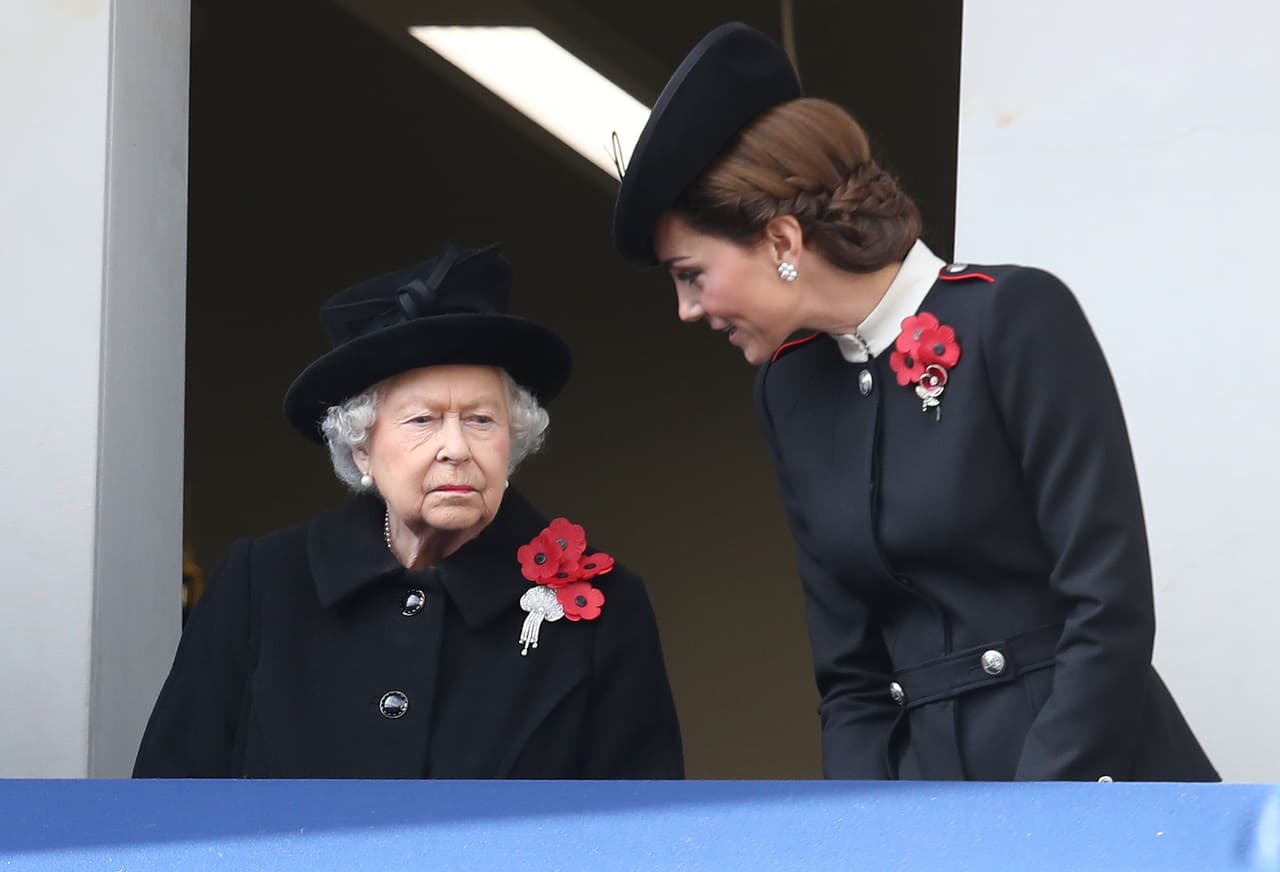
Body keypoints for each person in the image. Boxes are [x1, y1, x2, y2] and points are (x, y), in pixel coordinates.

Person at [612, 22, 1216, 782]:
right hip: (926, 804)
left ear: (783, 244)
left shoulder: (1013, 316)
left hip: (1085, 784)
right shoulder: (788, 387)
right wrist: (867, 836)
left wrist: (1031, 820)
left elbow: (1110, 611)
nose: (686, 309)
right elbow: (849, 675)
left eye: (691, 274)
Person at [134, 242, 683, 778]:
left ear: (511, 444)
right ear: (361, 448)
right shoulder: (264, 582)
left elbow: (637, 834)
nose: (456, 447)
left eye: (481, 420)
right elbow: (166, 803)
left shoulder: (605, 607)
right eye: (422, 420)